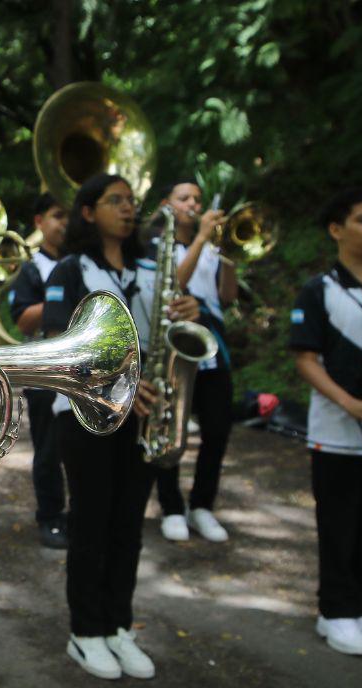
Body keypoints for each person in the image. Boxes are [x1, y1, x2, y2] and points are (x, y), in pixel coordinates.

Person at [43, 173, 201, 681]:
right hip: (86, 416)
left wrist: (189, 314)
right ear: (88, 212)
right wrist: (120, 390)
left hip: (146, 414)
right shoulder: (72, 269)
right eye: (115, 201)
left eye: (131, 200)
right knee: (90, 523)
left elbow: (171, 334)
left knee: (128, 525)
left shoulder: (156, 269)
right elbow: (57, 344)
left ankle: (118, 625)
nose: (129, 209)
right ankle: (85, 632)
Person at [288, 186, 362, 656]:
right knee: (338, 522)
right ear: (336, 230)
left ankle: (361, 605)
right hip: (335, 433)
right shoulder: (319, 290)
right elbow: (305, 358)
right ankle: (335, 610)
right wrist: (351, 403)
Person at [153, 179, 238, 543]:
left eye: (198, 200)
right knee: (170, 429)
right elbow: (172, 283)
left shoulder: (213, 248)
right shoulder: (156, 245)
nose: (193, 204)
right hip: (174, 350)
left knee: (217, 430)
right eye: (184, 197)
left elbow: (227, 296)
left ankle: (202, 505)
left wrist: (231, 254)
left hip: (211, 348)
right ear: (167, 204)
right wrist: (202, 239)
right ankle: (171, 507)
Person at [8, 192, 70, 549]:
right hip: (45, 369)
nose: (64, 223)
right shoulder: (33, 267)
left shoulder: (83, 261)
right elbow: (22, 317)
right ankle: (50, 516)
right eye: (57, 215)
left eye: (68, 216)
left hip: (81, 371)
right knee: (48, 449)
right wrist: (63, 298)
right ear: (39, 222)